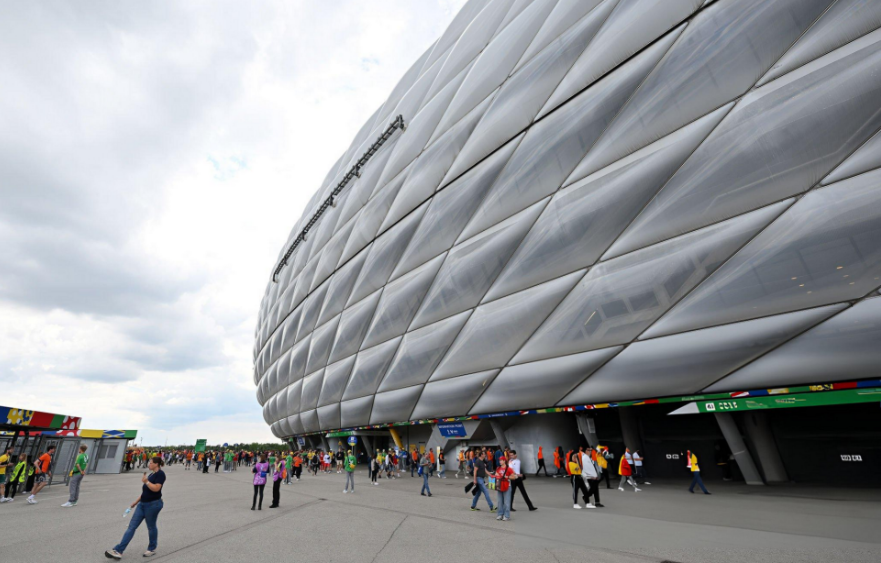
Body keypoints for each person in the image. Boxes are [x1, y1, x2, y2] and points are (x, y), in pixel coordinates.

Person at [105, 456, 166, 560]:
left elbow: (156, 489)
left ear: (156, 464)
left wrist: (146, 481)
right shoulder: (151, 474)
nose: (149, 464)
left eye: (151, 463)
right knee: (131, 527)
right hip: (142, 504)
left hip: (153, 504)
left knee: (151, 527)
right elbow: (145, 492)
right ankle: (119, 551)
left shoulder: (160, 474)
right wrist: (135, 502)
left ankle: (152, 548)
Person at [494, 456, 515, 521]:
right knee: (500, 501)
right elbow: (496, 475)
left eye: (501, 460)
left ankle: (507, 515)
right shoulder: (498, 468)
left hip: (507, 486)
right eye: (499, 460)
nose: (500, 461)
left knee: (506, 502)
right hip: (500, 486)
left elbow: (513, 477)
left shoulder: (509, 469)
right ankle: (500, 514)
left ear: (504, 461)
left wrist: (507, 477)